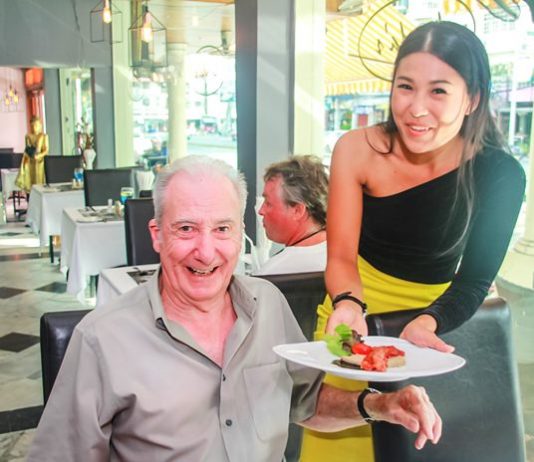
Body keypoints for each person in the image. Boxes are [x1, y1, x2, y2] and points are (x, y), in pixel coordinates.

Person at [27, 156, 441, 461]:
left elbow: (305, 401)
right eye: (186, 229)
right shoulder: (102, 339)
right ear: (156, 235)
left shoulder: (269, 304)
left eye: (222, 229)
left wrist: (380, 405)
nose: (206, 252)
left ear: (241, 233)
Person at [300, 20, 526, 462]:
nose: (416, 109)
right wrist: (348, 304)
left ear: (472, 98)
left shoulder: (500, 174)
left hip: (431, 333)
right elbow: (341, 256)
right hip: (350, 321)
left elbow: (475, 281)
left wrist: (428, 322)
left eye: (438, 91)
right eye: (405, 87)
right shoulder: (356, 148)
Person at [253, 155, 328, 275]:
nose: (261, 211)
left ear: (297, 210)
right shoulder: (349, 256)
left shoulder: (271, 274)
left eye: (268, 203)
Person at [15, 115, 49, 193]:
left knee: (39, 181)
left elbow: (46, 150)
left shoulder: (43, 136)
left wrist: (39, 155)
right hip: (30, 161)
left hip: (40, 162)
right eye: (32, 125)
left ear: (40, 125)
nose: (34, 127)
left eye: (36, 125)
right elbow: (27, 148)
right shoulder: (28, 136)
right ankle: (30, 196)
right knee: (30, 183)